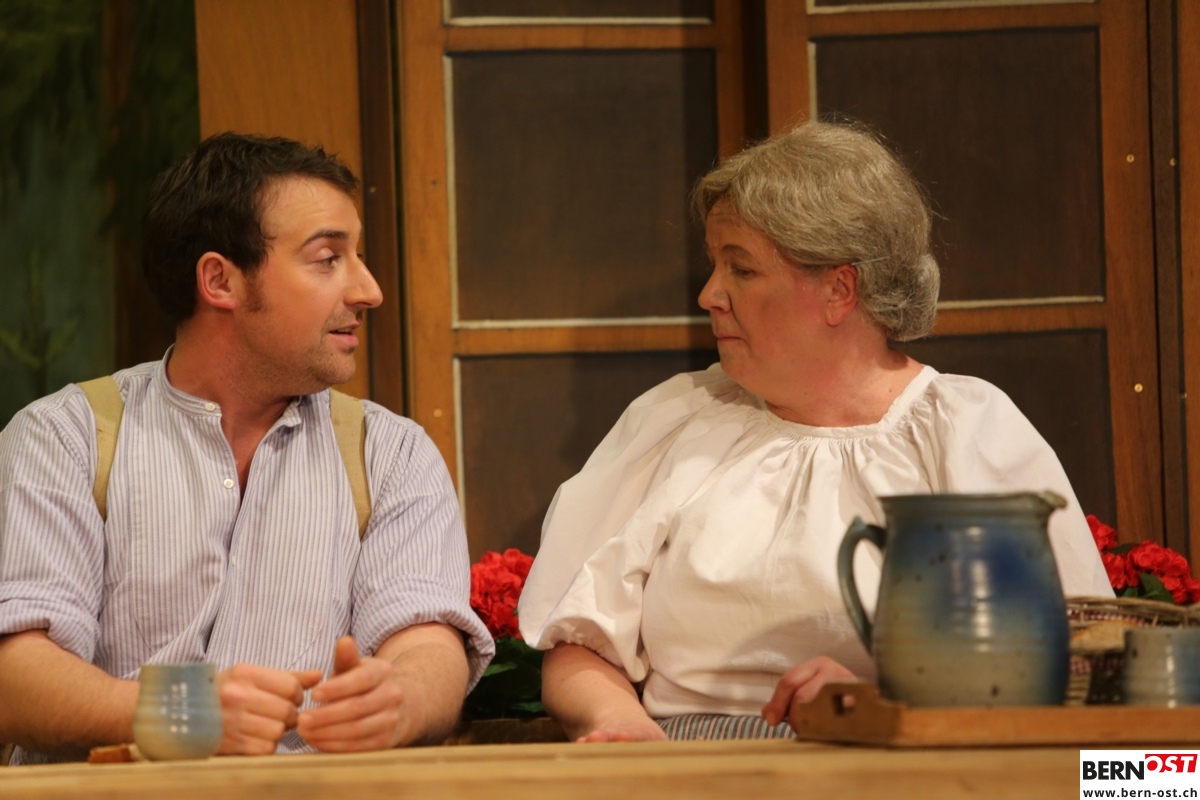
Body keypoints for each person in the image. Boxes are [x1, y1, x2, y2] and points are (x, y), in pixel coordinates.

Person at [517, 119, 1113, 743]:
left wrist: (883, 704)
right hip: (678, 761)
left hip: (893, 764)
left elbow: (1068, 664)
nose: (709, 294)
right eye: (715, 266)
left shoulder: (966, 430)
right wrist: (617, 720)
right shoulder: (678, 418)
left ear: (839, 289)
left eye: (741, 269)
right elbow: (579, 643)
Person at [0, 133, 493, 764]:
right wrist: (180, 714)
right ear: (220, 280)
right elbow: (15, 672)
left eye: (358, 258)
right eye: (327, 259)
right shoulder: (65, 437)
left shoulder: (391, 453)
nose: (368, 290)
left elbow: (426, 645)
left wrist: (400, 699)